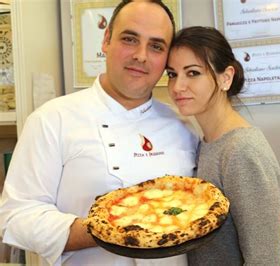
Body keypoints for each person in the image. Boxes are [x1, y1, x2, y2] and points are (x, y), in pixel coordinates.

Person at [0, 0, 198, 265]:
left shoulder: (184, 127)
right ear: (106, 40)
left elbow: (205, 209)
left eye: (156, 46)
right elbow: (15, 216)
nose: (141, 55)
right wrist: (110, 230)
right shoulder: (51, 120)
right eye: (130, 39)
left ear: (166, 59)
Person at [166, 26, 280, 266]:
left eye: (193, 73)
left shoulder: (241, 150)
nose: (178, 87)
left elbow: (264, 260)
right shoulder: (205, 141)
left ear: (225, 78)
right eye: (172, 74)